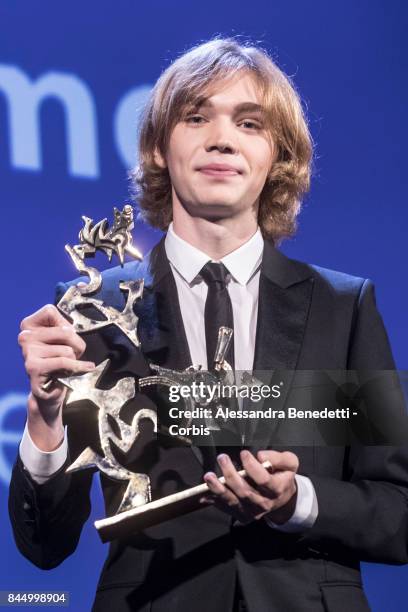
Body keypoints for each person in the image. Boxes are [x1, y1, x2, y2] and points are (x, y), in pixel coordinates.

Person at [9, 37, 408, 612]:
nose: (221, 137)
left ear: (278, 157)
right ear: (157, 149)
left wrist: (299, 499)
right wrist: (46, 420)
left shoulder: (342, 307)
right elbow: (44, 549)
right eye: (196, 117)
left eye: (249, 122)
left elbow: (398, 512)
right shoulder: (92, 308)